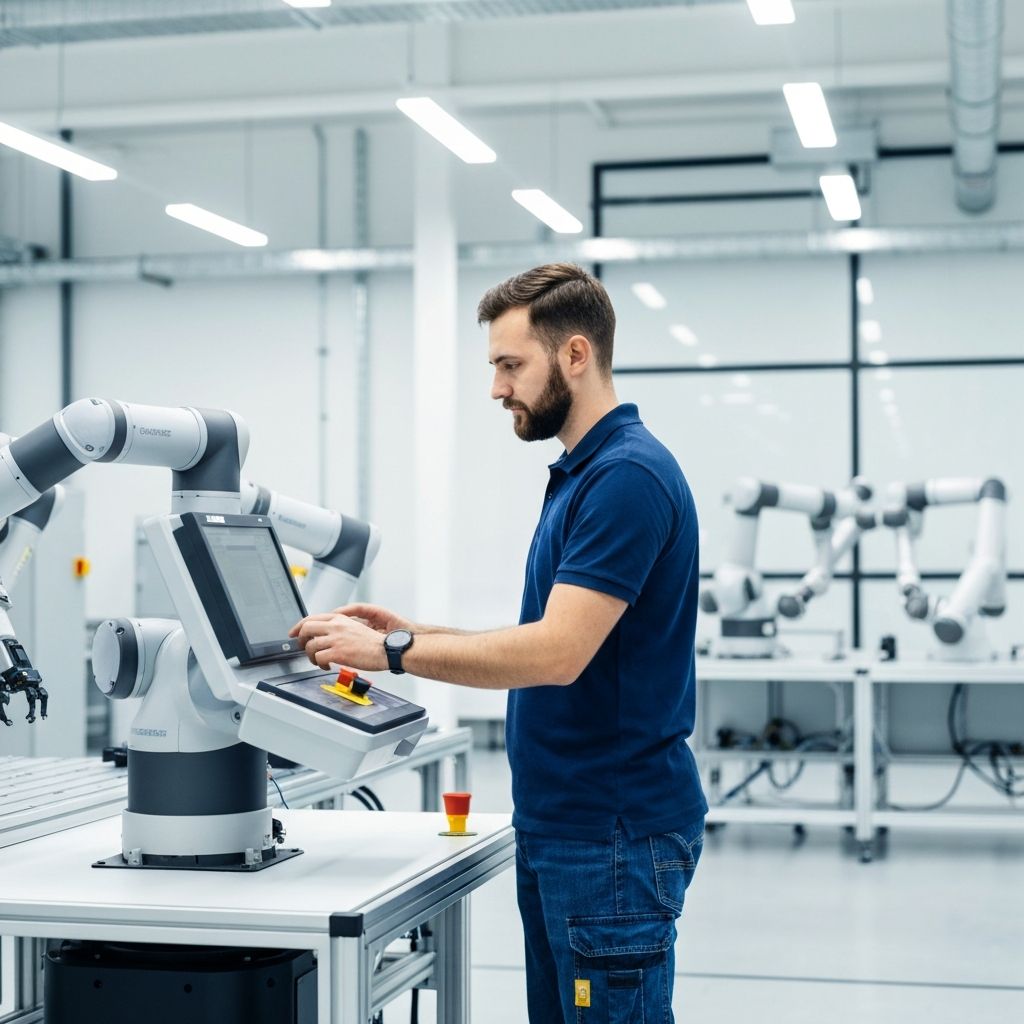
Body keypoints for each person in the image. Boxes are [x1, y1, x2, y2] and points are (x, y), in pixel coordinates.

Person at [291, 262, 707, 1023]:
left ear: (575, 355)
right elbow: (549, 634)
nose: (497, 388)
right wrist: (409, 631)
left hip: (609, 838)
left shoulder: (626, 478)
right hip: (572, 827)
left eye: (510, 365)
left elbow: (555, 655)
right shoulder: (586, 474)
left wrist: (390, 655)